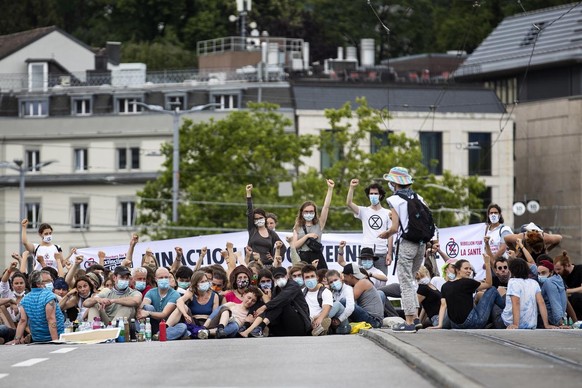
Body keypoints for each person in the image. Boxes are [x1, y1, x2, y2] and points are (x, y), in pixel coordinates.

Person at [379, 166, 427, 332]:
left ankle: (408, 322)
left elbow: (394, 228)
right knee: (411, 280)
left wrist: (386, 234)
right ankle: (415, 319)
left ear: (395, 183)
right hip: (422, 244)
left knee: (405, 282)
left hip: (407, 243)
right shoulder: (418, 196)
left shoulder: (395, 200)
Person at [434, 256, 504, 330]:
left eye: (470, 269)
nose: (469, 271)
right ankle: (507, 310)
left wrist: (440, 325)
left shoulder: (445, 286)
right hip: (472, 323)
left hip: (455, 325)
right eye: (466, 268)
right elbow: (489, 284)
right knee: (492, 290)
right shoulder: (467, 282)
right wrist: (487, 263)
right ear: (458, 270)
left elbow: (443, 305)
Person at [346, 179, 393, 275]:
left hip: (381, 253)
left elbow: (390, 234)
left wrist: (389, 253)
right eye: (371, 194)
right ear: (368, 195)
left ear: (380, 195)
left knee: (381, 282)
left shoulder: (388, 213)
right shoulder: (363, 211)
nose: (373, 196)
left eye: (375, 193)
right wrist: (351, 188)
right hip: (366, 253)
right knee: (362, 279)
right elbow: (349, 203)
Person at [248, 267, 311, 337]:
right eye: (277, 277)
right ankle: (253, 329)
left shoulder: (293, 285)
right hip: (284, 326)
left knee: (282, 304)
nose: (280, 279)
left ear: (287, 276)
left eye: (282, 276)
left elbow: (282, 298)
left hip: (300, 324)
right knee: (273, 307)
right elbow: (273, 308)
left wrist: (264, 307)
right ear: (274, 279)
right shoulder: (276, 290)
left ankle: (260, 327)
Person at [501, 258, 556, 329]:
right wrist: (546, 324)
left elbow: (516, 303)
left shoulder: (513, 282)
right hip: (531, 324)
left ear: (511, 271)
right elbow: (541, 303)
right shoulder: (534, 283)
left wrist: (515, 324)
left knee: (494, 294)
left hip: (510, 323)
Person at [292, 179, 334, 270]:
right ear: (302, 213)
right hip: (303, 257)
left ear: (314, 212)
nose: (309, 213)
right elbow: (294, 245)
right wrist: (307, 236)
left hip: (317, 256)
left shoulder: (319, 223)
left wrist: (330, 189)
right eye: (306, 211)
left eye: (311, 211)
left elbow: (326, 207)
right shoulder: (297, 226)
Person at [13, 270, 65, 343]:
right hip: (56, 336)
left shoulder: (24, 300)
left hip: (37, 339)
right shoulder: (49, 296)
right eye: (45, 281)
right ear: (38, 284)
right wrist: (55, 340)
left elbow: (22, 321)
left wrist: (16, 340)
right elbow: (51, 319)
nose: (49, 284)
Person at [166, 271, 219, 340]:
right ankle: (164, 328)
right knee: (182, 307)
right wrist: (185, 314)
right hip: (193, 322)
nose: (205, 283)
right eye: (202, 282)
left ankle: (198, 333)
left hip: (207, 323)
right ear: (196, 284)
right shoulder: (191, 293)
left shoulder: (214, 296)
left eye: (206, 281)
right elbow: (179, 301)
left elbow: (214, 315)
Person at [245, 184, 282, 266]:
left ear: (265, 218)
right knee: (254, 279)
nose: (259, 220)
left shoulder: (271, 233)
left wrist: (274, 257)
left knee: (267, 279)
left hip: (267, 266)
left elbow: (282, 247)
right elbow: (250, 212)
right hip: (254, 266)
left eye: (260, 217)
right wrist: (248, 194)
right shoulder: (252, 230)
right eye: (256, 219)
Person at [138, 267, 180, 335]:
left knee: (182, 327)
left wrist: (148, 313)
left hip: (167, 325)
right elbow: (144, 306)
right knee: (148, 307)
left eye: (166, 277)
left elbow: (164, 314)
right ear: (156, 279)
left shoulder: (175, 294)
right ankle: (157, 334)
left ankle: (159, 335)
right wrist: (143, 311)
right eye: (161, 278)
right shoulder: (151, 292)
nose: (164, 280)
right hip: (153, 324)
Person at [341, 263, 383, 328]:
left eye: (345, 276)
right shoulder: (360, 282)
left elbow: (350, 300)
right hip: (372, 319)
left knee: (344, 301)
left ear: (351, 276)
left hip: (374, 321)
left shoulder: (362, 282)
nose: (344, 279)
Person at [301, 264, 333, 336]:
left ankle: (319, 328)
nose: (310, 279)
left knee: (324, 320)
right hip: (306, 319)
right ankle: (317, 330)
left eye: (312, 276)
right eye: (307, 277)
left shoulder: (325, 292)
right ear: (303, 279)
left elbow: (326, 308)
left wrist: (319, 319)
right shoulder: (302, 292)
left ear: (317, 277)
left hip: (319, 317)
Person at [482, 204, 513, 275]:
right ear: (488, 215)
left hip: (503, 266)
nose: (493, 215)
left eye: (495, 213)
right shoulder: (486, 230)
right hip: (490, 267)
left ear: (499, 215)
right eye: (491, 213)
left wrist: (493, 262)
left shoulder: (504, 229)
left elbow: (503, 248)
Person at [536, 260, 568, 326]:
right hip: (558, 317)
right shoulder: (558, 279)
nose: (540, 276)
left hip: (550, 320)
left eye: (543, 273)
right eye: (538, 273)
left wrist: (559, 322)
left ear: (551, 272)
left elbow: (554, 302)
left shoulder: (548, 282)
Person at [553, 251, 582, 320]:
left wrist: (566, 291)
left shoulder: (580, 270)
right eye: (555, 270)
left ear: (566, 265)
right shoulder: (559, 276)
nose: (557, 272)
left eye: (559, 269)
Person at [325, 270, 353, 334]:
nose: (334, 283)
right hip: (334, 321)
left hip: (345, 319)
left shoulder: (348, 289)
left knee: (338, 304)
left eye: (335, 280)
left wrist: (339, 320)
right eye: (331, 282)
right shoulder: (332, 292)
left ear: (340, 278)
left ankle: (320, 321)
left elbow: (350, 308)